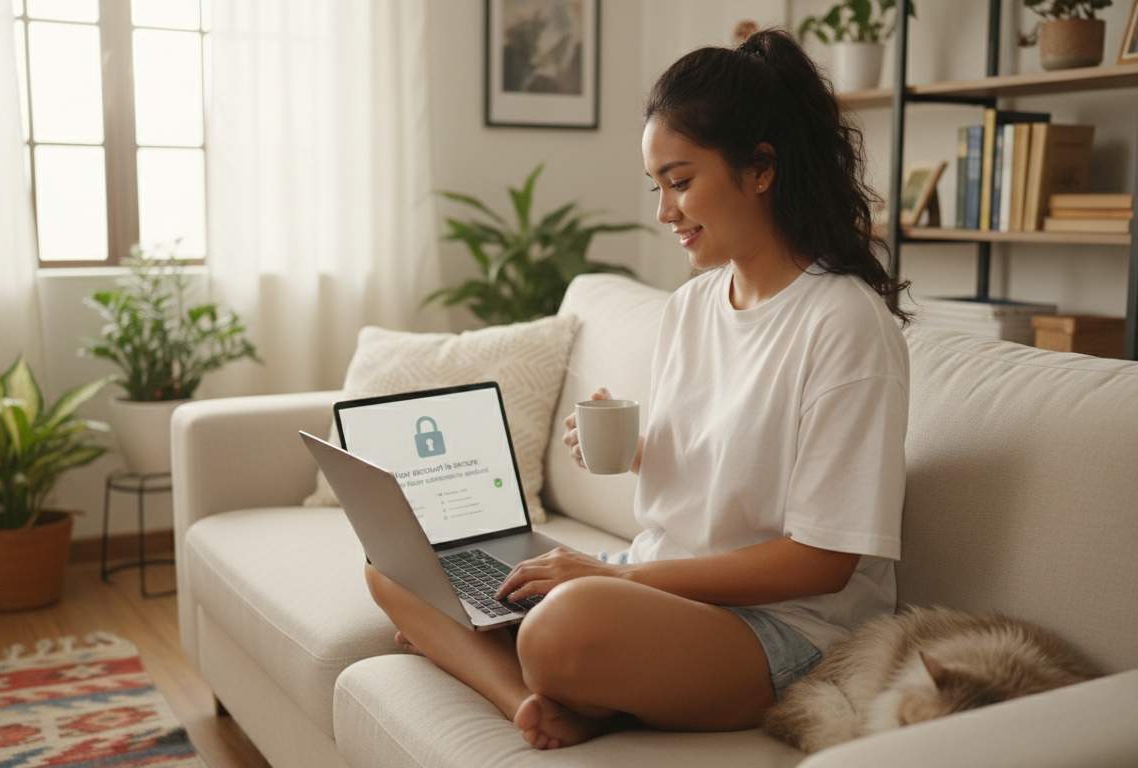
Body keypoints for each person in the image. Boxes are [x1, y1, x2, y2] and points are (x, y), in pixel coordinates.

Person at [364, 27, 913, 751]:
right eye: (657, 187)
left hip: (784, 629)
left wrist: (607, 578)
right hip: (653, 588)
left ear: (760, 169)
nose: (665, 212)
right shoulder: (693, 305)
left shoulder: (844, 324)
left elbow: (823, 560)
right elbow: (722, 468)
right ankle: (532, 698)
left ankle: (556, 677)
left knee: (567, 624)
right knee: (398, 565)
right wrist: (630, 452)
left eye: (681, 182)